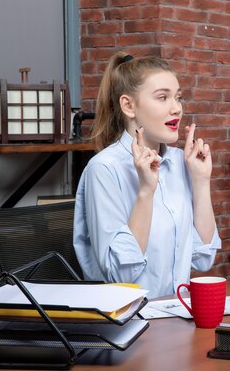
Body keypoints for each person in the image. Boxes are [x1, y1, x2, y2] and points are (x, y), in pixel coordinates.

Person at [73, 52, 221, 298]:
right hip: (128, 323)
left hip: (175, 314)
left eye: (178, 98)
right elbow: (119, 276)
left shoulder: (181, 162)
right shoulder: (104, 169)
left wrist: (201, 181)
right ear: (128, 106)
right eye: (162, 97)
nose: (176, 108)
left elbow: (203, 259)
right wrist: (145, 192)